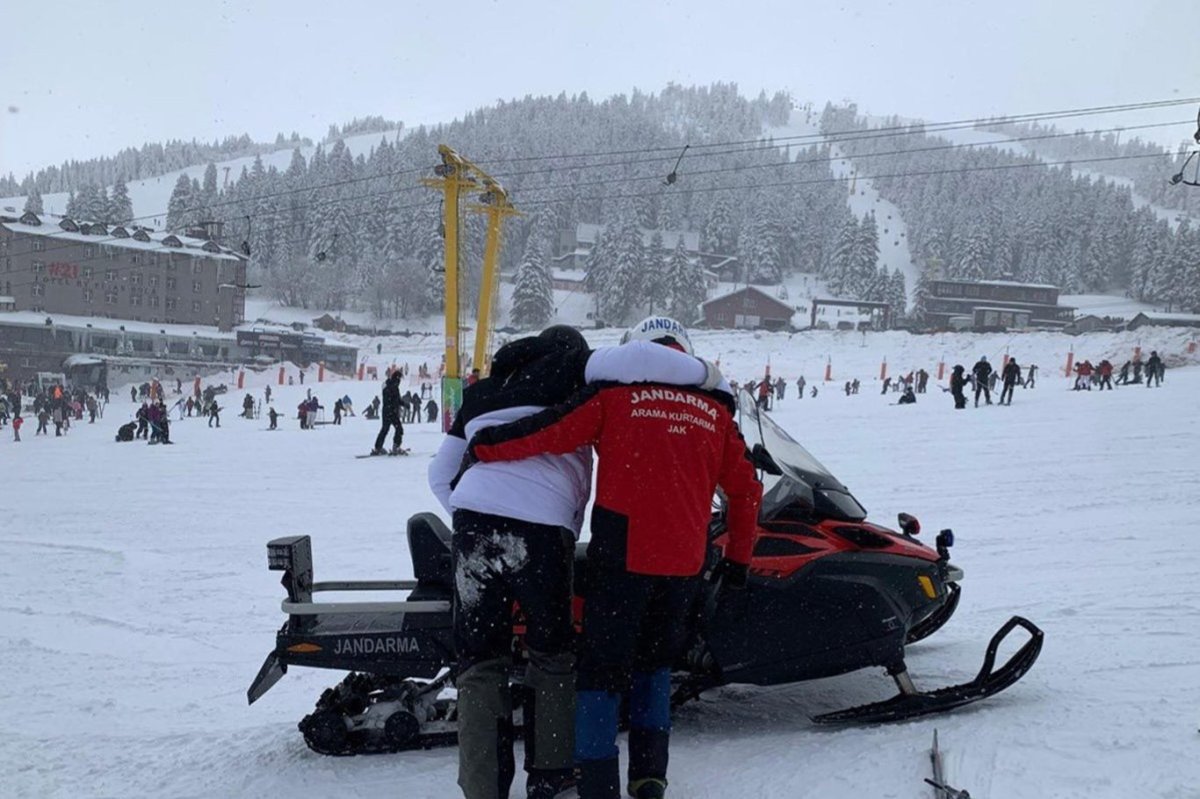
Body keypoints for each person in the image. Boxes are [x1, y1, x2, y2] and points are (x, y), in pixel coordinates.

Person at [468, 317, 762, 799]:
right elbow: (747, 492)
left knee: (601, 675)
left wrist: (486, 447)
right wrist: (738, 564)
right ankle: (649, 777)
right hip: (684, 564)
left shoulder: (615, 397)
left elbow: (548, 432)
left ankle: (598, 783)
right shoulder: (715, 412)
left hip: (621, 560)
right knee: (655, 668)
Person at [372, 370, 404, 454]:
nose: (400, 381)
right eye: (399, 379)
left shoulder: (387, 385)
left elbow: (394, 399)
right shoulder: (394, 386)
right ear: (397, 378)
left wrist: (403, 404)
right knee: (399, 428)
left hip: (386, 411)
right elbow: (396, 400)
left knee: (385, 429)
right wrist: (403, 404)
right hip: (392, 411)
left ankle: (378, 447)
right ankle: (396, 446)